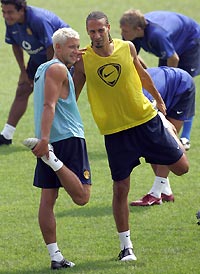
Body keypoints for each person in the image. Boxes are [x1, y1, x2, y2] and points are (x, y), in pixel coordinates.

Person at [73, 11, 189, 261]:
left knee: (182, 168)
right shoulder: (83, 61)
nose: (96, 35)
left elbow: (142, 75)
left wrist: (158, 100)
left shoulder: (127, 48)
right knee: (120, 189)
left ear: (108, 28)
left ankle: (167, 128)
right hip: (116, 134)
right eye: (91, 31)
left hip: (146, 122)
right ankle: (126, 247)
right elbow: (71, 96)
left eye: (100, 30)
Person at [23, 27, 92, 270]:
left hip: (51, 138)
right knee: (83, 197)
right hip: (67, 138)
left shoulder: (44, 69)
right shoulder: (58, 68)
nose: (77, 50)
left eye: (78, 46)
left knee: (47, 199)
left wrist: (74, 62)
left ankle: (55, 257)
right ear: (57, 48)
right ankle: (53, 159)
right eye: (72, 47)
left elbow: (62, 96)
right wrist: (44, 141)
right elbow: (49, 105)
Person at [119, 9, 200, 150]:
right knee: (162, 89)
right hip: (171, 43)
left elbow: (173, 58)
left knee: (183, 87)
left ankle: (185, 137)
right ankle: (163, 130)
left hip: (190, 41)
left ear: (138, 29)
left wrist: (170, 80)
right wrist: (147, 75)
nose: (122, 34)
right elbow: (132, 59)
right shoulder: (134, 35)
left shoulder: (157, 35)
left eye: (125, 31)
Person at [0, 0, 70, 146]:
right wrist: (23, 72)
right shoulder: (11, 21)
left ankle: (56, 138)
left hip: (62, 57)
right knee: (23, 89)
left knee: (54, 99)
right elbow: (15, 45)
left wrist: (49, 75)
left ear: (22, 10)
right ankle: (6, 135)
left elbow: (52, 48)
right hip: (39, 57)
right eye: (3, 12)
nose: (6, 16)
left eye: (10, 12)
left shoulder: (38, 20)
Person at [130, 66, 195, 206]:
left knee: (164, 144)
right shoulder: (129, 93)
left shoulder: (142, 99)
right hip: (166, 86)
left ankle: (155, 194)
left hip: (182, 86)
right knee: (153, 145)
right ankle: (165, 191)